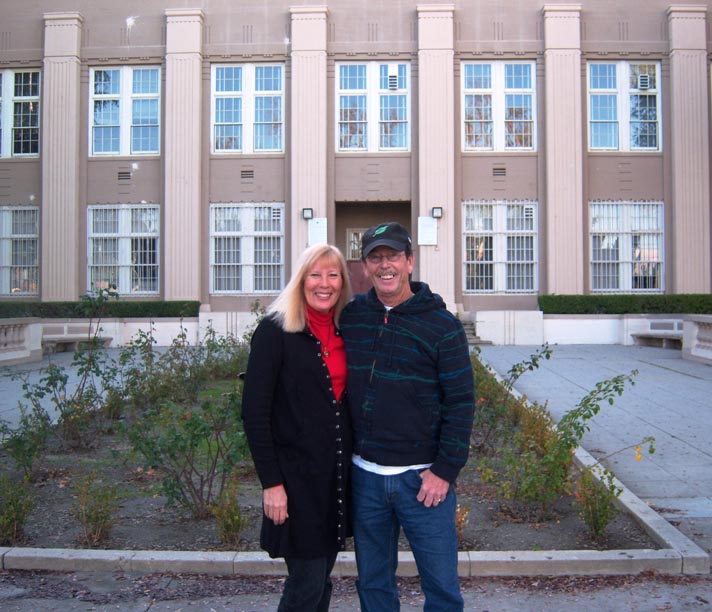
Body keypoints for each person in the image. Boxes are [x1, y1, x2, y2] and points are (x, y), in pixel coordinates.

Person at [339, 221, 475, 612]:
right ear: (366, 266)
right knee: (374, 586)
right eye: (375, 257)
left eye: (393, 256)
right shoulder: (353, 318)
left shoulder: (442, 326)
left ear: (410, 262)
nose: (385, 265)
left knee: (442, 589)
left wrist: (444, 471)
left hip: (423, 482)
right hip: (366, 478)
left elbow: (461, 401)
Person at [241, 243, 353, 612]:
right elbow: (254, 414)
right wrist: (271, 484)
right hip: (295, 482)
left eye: (333, 275)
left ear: (342, 282)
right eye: (315, 275)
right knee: (306, 584)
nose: (324, 283)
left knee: (321, 582)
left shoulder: (346, 330)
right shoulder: (274, 332)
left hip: (335, 480)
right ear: (301, 280)